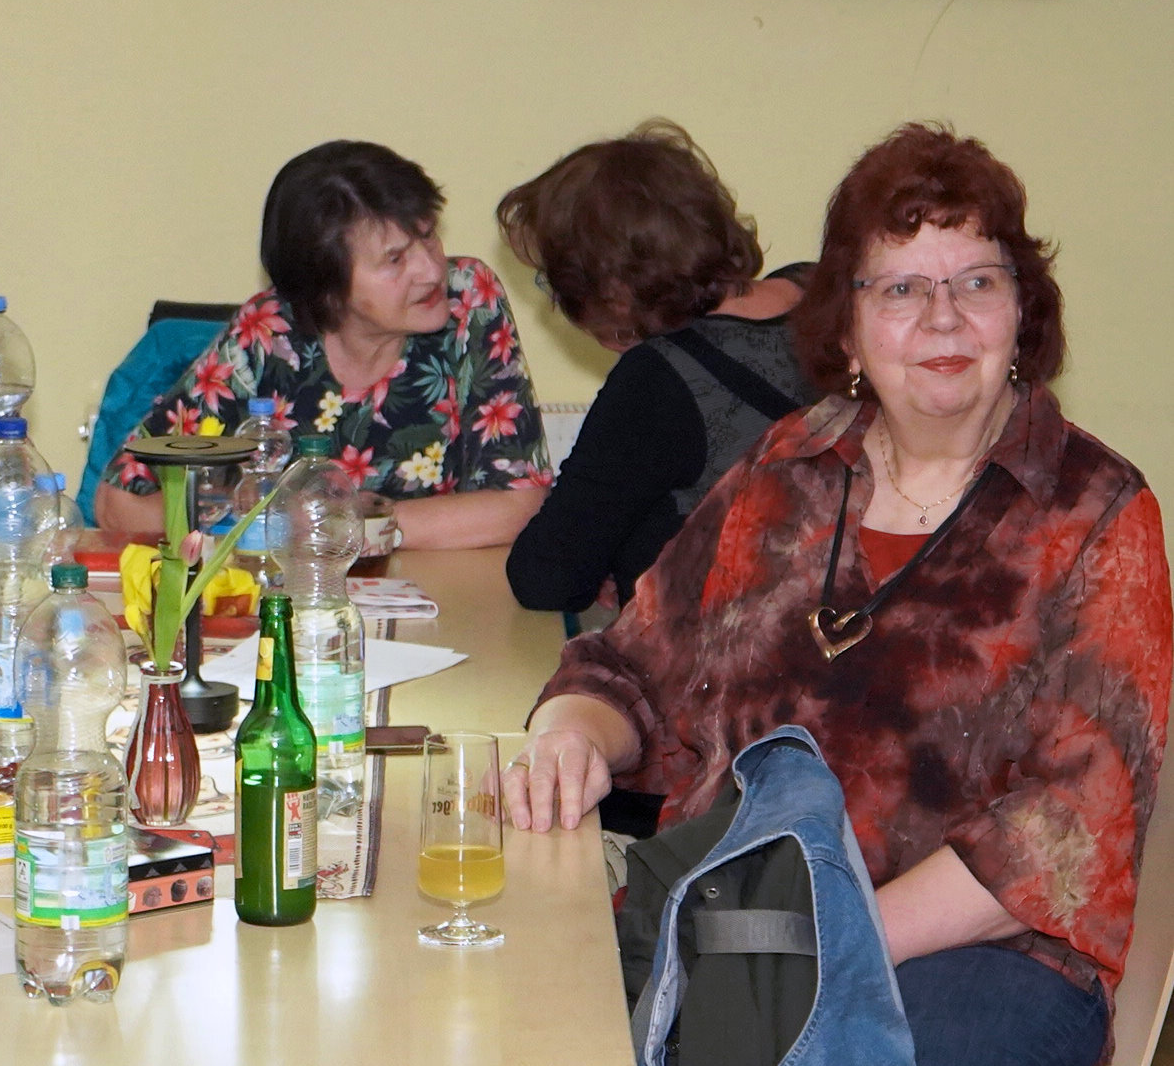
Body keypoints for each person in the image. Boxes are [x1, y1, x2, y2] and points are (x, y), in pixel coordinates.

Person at [502, 123, 1170, 1066]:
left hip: (968, 962)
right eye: (901, 288)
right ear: (847, 327)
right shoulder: (788, 467)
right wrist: (570, 734)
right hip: (739, 923)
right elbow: (630, 666)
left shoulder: (1095, 510)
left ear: (1022, 313)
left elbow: (1070, 822)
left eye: (977, 282)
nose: (943, 319)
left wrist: (828, 944)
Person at [95, 140, 552, 550]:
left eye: (428, 234)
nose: (431, 271)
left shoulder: (467, 299)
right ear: (328, 289)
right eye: (395, 259)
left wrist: (341, 526)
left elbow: (520, 504)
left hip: (441, 594)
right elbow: (118, 503)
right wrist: (249, 514)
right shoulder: (268, 333)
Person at [499, 120, 813, 614]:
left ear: (609, 290)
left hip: (726, 650)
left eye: (553, 282)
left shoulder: (661, 377)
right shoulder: (820, 293)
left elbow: (547, 576)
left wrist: (617, 558)